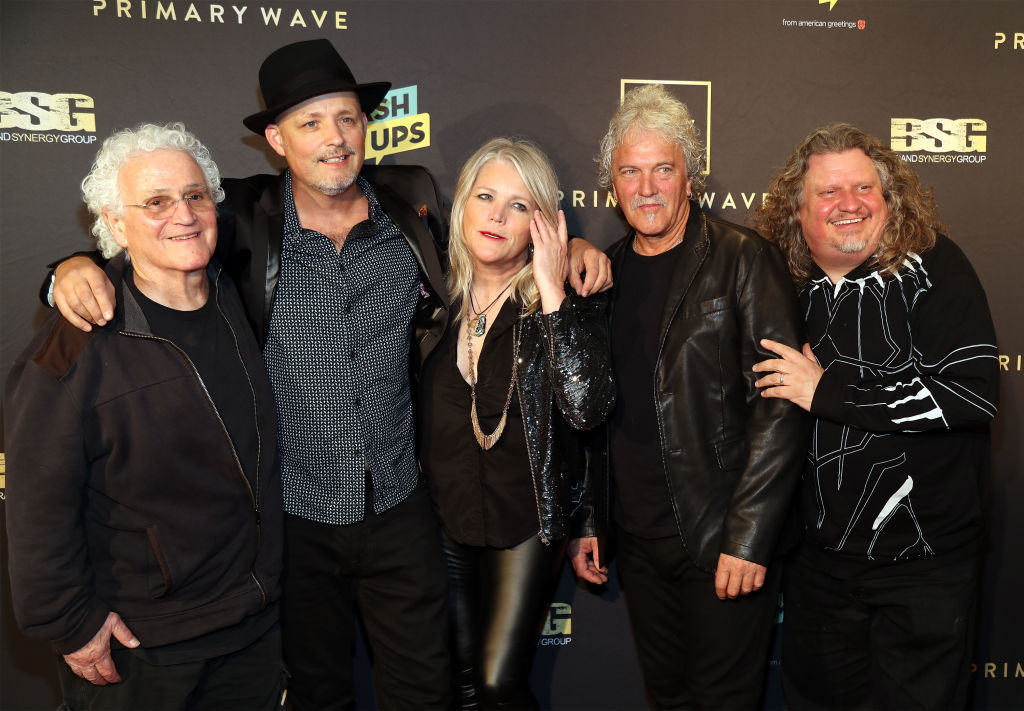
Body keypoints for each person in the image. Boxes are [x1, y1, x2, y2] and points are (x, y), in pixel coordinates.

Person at [47, 39, 611, 709]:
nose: (335, 139)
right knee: (318, 693)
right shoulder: (242, 222)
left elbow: (501, 237)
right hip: (296, 515)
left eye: (346, 118)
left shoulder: (414, 205)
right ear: (278, 141)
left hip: (403, 508)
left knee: (427, 692)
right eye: (310, 123)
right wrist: (68, 268)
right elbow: (160, 239)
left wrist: (572, 245)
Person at [4, 122, 282, 709]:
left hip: (251, 628)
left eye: (194, 195)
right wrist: (70, 625)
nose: (183, 214)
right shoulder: (73, 351)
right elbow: (36, 504)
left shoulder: (238, 295)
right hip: (144, 647)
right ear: (115, 222)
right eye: (155, 202)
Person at [568, 84, 808, 709]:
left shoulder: (744, 259)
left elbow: (780, 408)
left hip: (719, 535)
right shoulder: (605, 273)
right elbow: (593, 413)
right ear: (611, 185)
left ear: (690, 177)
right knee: (667, 698)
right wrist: (593, 520)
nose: (646, 187)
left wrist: (748, 537)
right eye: (630, 171)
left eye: (663, 169)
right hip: (640, 541)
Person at [751, 123, 999, 709]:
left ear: (890, 200)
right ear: (797, 208)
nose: (849, 204)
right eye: (829, 192)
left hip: (924, 565)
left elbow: (973, 393)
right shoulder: (777, 281)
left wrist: (827, 392)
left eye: (864, 188)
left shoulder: (934, 265)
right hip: (818, 567)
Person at [418, 138, 614, 708]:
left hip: (525, 523)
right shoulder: (430, 296)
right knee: (456, 683)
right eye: (485, 196)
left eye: (520, 204)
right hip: (440, 520)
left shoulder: (567, 301)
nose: (498, 215)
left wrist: (553, 290)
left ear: (543, 224)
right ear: (463, 207)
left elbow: (586, 409)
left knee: (501, 684)